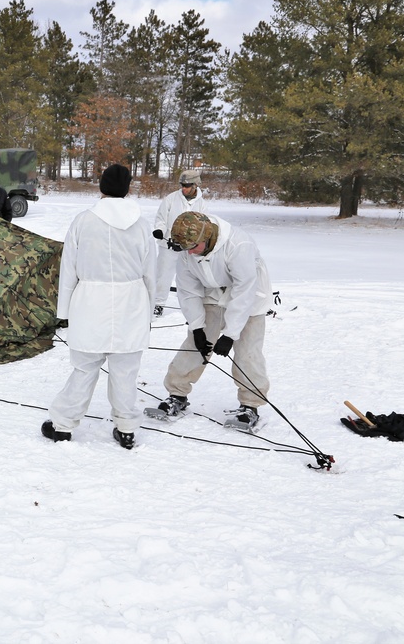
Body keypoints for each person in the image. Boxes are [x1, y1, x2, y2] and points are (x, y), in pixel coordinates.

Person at [41, 163, 155, 449]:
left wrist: (63, 313)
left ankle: (63, 426)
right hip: (131, 304)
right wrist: (148, 310)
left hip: (90, 303)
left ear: (101, 187)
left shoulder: (83, 221)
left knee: (84, 369)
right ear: (128, 189)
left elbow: (68, 270)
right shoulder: (142, 224)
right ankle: (126, 428)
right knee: (126, 372)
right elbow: (151, 272)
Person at [154, 211, 273, 431]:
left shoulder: (239, 245)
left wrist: (230, 334)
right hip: (212, 292)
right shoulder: (187, 249)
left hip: (250, 295)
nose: (189, 252)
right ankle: (177, 395)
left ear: (208, 237)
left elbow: (243, 291)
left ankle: (250, 405)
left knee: (248, 351)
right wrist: (197, 327)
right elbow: (188, 290)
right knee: (194, 345)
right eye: (185, 248)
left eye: (193, 247)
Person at [152, 169, 205, 317]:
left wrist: (194, 244)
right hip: (168, 245)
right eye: (182, 185)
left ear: (195, 185)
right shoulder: (171, 198)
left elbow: (204, 226)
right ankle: (158, 304)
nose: (183, 188)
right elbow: (161, 218)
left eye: (187, 185)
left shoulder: (202, 204)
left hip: (190, 249)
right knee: (163, 275)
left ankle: (191, 305)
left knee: (190, 277)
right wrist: (160, 231)